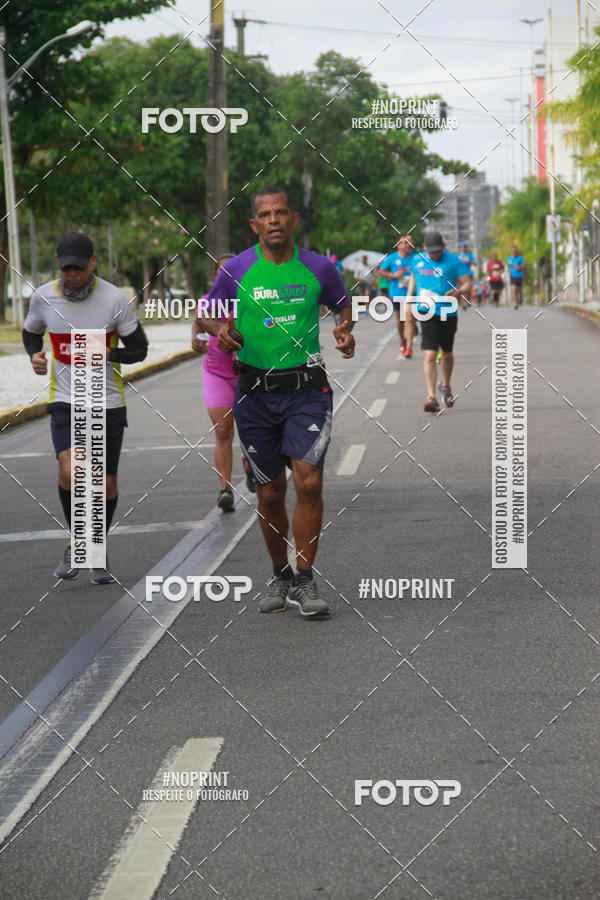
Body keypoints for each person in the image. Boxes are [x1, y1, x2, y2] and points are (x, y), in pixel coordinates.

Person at [200, 186, 355, 618]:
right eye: (265, 214)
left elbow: (342, 305)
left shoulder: (319, 268)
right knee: (269, 494)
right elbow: (206, 313)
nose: (273, 220)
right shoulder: (236, 270)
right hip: (254, 394)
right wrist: (219, 330)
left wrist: (345, 330)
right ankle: (280, 573)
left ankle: (305, 580)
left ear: (293, 220)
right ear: (254, 225)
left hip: (307, 390)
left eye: (281, 212)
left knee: (308, 482)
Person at [22, 232, 148, 583]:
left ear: (93, 262)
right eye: (65, 269)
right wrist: (35, 353)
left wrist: (109, 353)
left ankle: (97, 545)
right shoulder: (43, 298)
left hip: (107, 402)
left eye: (78, 268)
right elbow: (31, 332)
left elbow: (140, 350)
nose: (71, 276)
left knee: (104, 483)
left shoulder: (115, 300)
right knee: (72, 468)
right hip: (65, 401)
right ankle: (79, 541)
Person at [192, 254, 255, 511]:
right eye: (222, 271)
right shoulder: (207, 302)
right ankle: (225, 489)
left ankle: (251, 465)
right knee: (223, 431)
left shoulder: (252, 301)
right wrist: (195, 337)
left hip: (249, 374)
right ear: (216, 275)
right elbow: (198, 323)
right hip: (217, 374)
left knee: (253, 431)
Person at [407, 230, 471, 413]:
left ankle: (446, 384)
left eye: (439, 251)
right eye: (432, 251)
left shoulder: (454, 260)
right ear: (425, 248)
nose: (436, 254)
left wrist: (457, 292)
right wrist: (409, 301)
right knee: (429, 354)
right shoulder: (417, 260)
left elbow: (467, 283)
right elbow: (413, 277)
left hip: (448, 312)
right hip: (426, 311)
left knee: (447, 353)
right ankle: (431, 397)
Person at [378, 235, 416, 357]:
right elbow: (380, 271)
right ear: (399, 245)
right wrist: (393, 275)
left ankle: (409, 347)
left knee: (409, 318)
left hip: (411, 293)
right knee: (400, 319)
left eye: (410, 242)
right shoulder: (392, 258)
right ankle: (402, 339)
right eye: (406, 242)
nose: (409, 244)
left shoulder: (415, 258)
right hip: (396, 292)